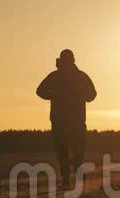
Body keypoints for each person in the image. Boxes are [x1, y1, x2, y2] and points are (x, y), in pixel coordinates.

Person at [36, 49, 97, 188]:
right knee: (74, 149)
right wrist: (53, 95)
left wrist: (53, 96)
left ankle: (68, 176)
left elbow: (91, 95)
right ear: (72, 60)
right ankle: (68, 176)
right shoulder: (79, 76)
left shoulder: (58, 76)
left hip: (63, 120)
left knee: (67, 150)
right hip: (72, 120)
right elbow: (40, 91)